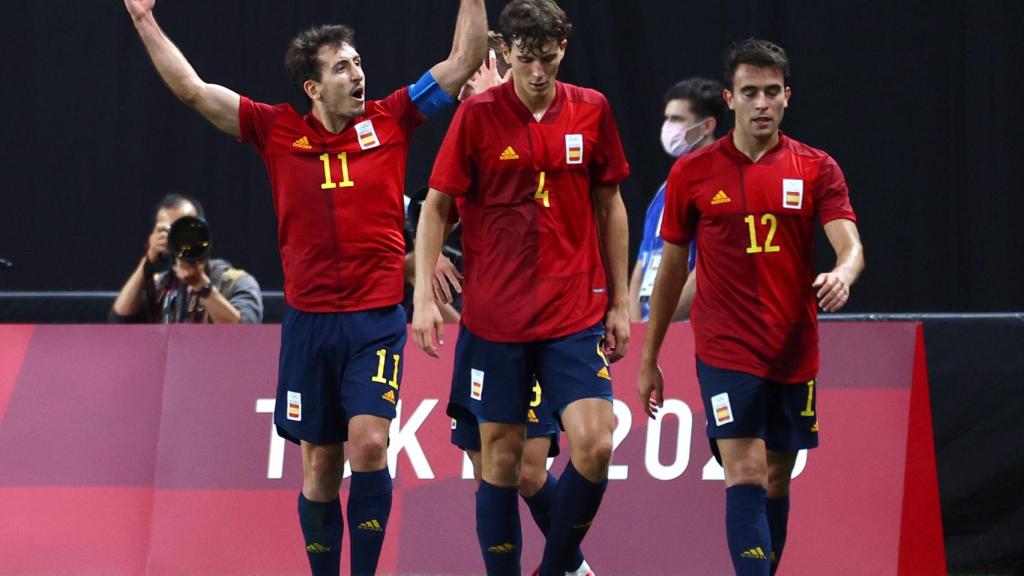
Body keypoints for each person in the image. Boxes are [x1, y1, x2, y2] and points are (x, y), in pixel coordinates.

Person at [123, 0, 486, 574]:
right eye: (342, 68)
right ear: (313, 88)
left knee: (369, 443)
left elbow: (465, 58)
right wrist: (145, 20)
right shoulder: (274, 130)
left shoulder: (393, 119)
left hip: (375, 320)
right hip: (308, 324)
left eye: (358, 62)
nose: (358, 74)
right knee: (319, 466)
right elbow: (193, 89)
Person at [412, 2, 630, 574]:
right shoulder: (478, 116)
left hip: (572, 314)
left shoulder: (592, 109)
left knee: (596, 444)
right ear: (504, 51)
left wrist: (621, 302)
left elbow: (610, 202)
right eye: (526, 58)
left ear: (564, 47)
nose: (538, 71)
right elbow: (435, 209)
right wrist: (423, 298)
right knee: (503, 465)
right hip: (495, 323)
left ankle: (555, 569)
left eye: (549, 56)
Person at [636, 38, 865, 576]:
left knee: (777, 478)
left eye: (771, 92)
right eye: (749, 92)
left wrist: (842, 273)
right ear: (729, 99)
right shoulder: (692, 174)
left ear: (787, 97)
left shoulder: (816, 168)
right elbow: (671, 270)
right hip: (724, 347)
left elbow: (850, 246)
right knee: (744, 470)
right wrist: (651, 356)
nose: (761, 103)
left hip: (793, 346)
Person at [627, 78, 725, 323]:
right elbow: (643, 262)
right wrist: (637, 326)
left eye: (678, 119)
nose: (668, 127)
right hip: (651, 329)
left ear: (707, 126)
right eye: (667, 118)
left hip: (688, 328)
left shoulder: (721, 188)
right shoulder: (666, 188)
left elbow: (708, 269)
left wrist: (661, 322)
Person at [109, 193, 262, 324]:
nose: (179, 237)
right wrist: (148, 262)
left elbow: (245, 334)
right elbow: (119, 321)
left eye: (185, 229)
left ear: (202, 231)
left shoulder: (235, 282)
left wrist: (202, 286)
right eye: (167, 230)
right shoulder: (159, 286)